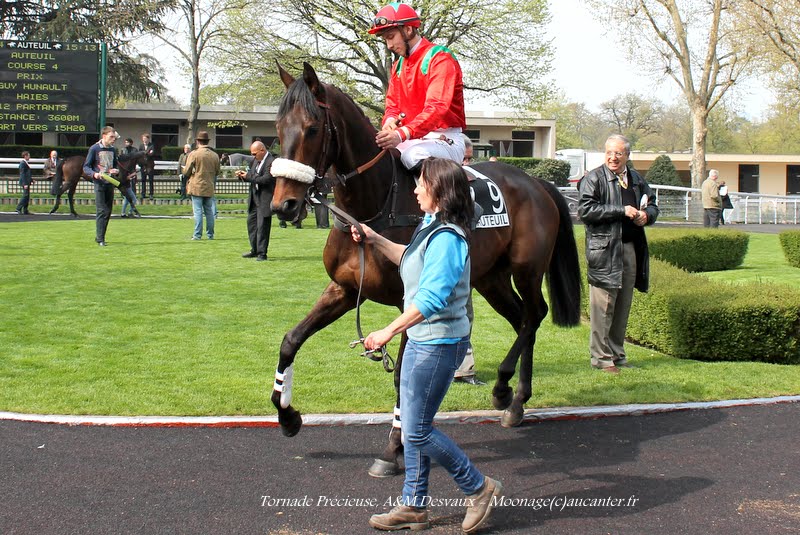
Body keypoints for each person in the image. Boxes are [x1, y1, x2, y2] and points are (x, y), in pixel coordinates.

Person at [354, 158, 503, 534]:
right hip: (424, 343)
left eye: (420, 184)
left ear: (438, 191)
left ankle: (479, 488)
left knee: (416, 431)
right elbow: (408, 258)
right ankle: (413, 506)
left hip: (438, 345)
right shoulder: (430, 227)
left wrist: (388, 330)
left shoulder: (449, 239)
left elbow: (433, 299)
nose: (414, 190)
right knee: (413, 425)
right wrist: (373, 238)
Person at [578, 134, 659, 374]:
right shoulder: (593, 178)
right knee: (603, 307)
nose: (613, 157)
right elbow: (585, 211)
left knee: (623, 306)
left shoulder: (636, 179)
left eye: (618, 153)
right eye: (609, 153)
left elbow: (652, 204)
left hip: (630, 248)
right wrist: (620, 210)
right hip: (604, 251)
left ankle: (617, 354)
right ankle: (601, 359)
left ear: (627, 156)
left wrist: (648, 215)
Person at [369, 3, 466, 170]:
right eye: (385, 39)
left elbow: (436, 108)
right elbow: (392, 106)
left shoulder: (440, 58)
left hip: (444, 140)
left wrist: (401, 133)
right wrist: (390, 122)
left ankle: (444, 196)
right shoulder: (398, 66)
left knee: (412, 157)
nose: (389, 45)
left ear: (408, 30)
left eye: (391, 37)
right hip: (411, 140)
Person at [236, 141, 275, 261]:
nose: (253, 156)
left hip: (265, 199)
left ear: (262, 150)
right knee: (252, 225)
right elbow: (253, 177)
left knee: (262, 227)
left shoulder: (271, 162)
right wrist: (243, 176)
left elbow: (266, 179)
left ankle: (262, 253)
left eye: (254, 154)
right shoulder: (255, 161)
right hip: (254, 198)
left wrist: (249, 176)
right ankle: (254, 250)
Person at [83, 127, 120, 246]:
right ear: (104, 136)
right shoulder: (94, 148)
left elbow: (114, 165)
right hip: (99, 183)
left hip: (110, 182)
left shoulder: (113, 150)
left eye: (114, 137)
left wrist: (115, 171)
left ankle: (100, 237)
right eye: (111, 137)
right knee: (101, 210)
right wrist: (95, 174)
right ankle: (100, 239)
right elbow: (86, 167)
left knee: (108, 211)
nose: (113, 139)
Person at [183, 131, 220, 240]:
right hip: (209, 186)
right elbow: (217, 171)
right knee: (209, 212)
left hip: (196, 186)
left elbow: (186, 171)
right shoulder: (214, 155)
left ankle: (197, 235)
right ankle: (210, 234)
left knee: (198, 211)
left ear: (198, 141)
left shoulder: (194, 154)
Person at [120, 138, 139, 218]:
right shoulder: (123, 168)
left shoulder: (134, 151)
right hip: (126, 185)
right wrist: (133, 174)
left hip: (128, 185)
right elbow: (125, 178)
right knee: (130, 199)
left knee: (129, 199)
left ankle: (126, 212)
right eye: (125, 142)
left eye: (127, 142)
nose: (126, 143)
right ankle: (126, 213)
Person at [139, 133, 155, 200]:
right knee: (143, 180)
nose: (144, 140)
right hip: (143, 166)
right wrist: (147, 153)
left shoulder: (152, 145)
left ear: (148, 139)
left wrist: (145, 153)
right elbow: (139, 154)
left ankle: (151, 194)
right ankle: (143, 194)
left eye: (145, 138)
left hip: (149, 166)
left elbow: (152, 154)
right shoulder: (141, 146)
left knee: (150, 180)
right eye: (143, 139)